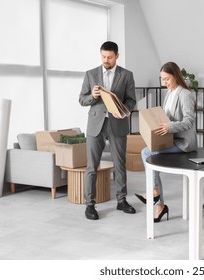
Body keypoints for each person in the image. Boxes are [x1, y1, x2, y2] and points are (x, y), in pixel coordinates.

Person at [79, 41, 137, 220]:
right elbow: (82, 99)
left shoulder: (126, 75)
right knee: (91, 167)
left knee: (120, 164)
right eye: (103, 56)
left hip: (117, 123)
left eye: (110, 57)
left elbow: (131, 101)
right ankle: (90, 205)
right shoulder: (90, 74)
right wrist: (92, 96)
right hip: (95, 125)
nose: (106, 60)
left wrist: (123, 111)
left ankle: (122, 200)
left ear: (117, 56)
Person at [135, 61, 197, 223]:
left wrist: (169, 127)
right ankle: (159, 203)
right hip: (171, 138)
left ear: (176, 76)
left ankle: (156, 194)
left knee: (147, 153)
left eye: (167, 79)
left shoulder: (185, 94)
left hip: (183, 142)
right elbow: (166, 116)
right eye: (162, 79)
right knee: (149, 152)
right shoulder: (169, 93)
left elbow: (189, 121)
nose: (164, 83)